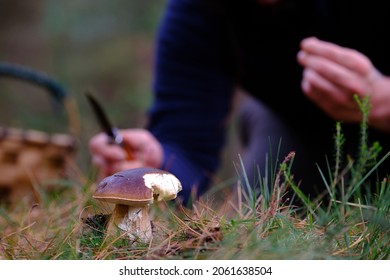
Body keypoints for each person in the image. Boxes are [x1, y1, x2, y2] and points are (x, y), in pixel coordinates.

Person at [89, 0, 390, 204]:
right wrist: (154, 164)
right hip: (297, 132)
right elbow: (187, 148)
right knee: (262, 214)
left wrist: (382, 101)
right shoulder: (199, 12)